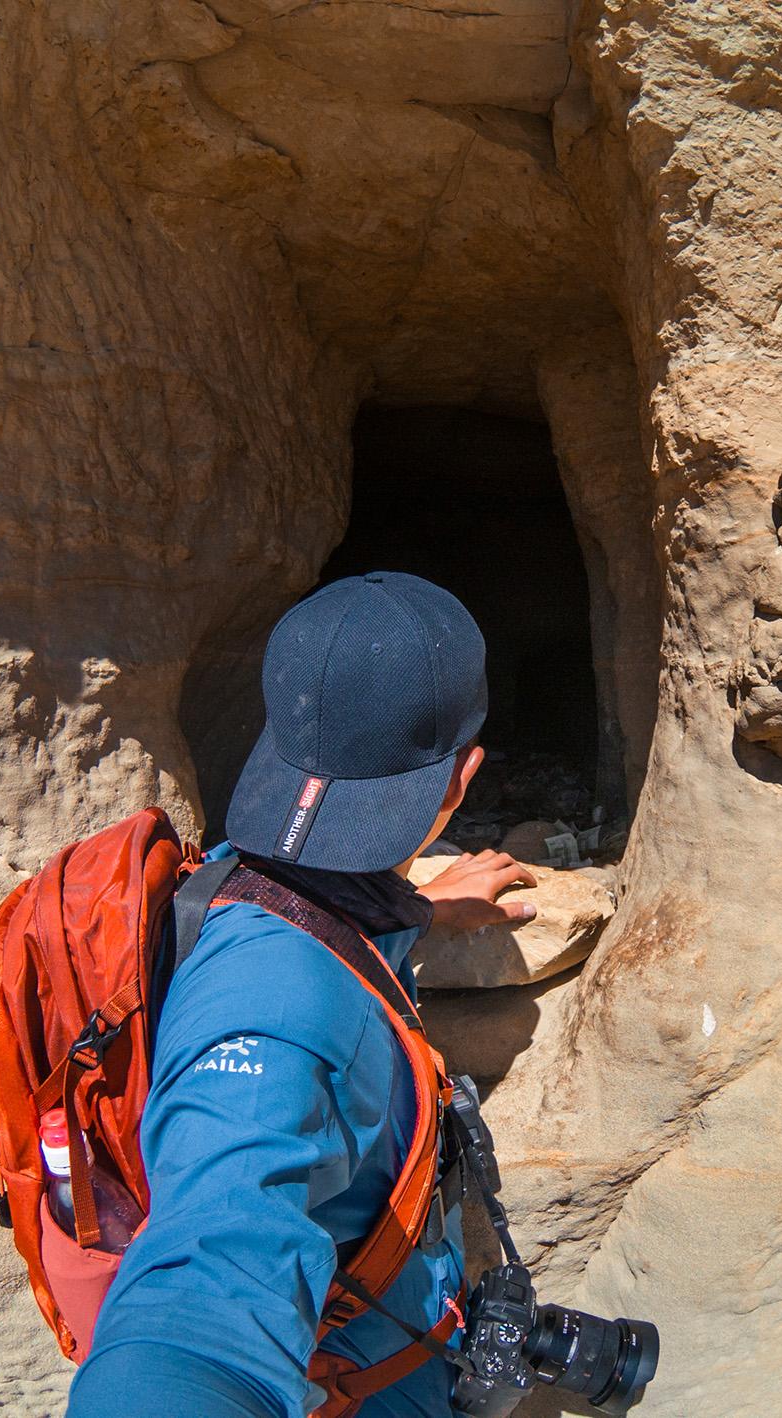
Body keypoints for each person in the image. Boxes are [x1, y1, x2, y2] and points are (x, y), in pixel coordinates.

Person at [70, 571, 537, 1418]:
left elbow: (324, 928)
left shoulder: (249, 881)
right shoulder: (273, 1021)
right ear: (462, 779)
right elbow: (198, 1296)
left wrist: (424, 912)